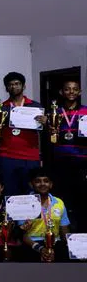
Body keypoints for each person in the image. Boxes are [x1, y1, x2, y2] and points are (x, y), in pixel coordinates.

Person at [0, 72, 46, 196]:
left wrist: (46, 122)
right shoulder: (1, 108)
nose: (14, 86)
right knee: (9, 193)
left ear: (23, 86)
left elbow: (44, 131)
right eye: (10, 84)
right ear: (6, 88)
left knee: (31, 193)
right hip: (7, 156)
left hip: (30, 156)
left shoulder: (35, 106)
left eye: (17, 84)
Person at [50, 79, 87, 228]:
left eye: (75, 89)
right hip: (60, 162)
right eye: (67, 89)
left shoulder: (86, 112)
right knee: (63, 199)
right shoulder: (55, 112)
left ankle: (82, 232)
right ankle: (64, 231)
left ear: (80, 92)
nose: (71, 92)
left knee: (82, 198)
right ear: (61, 92)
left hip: (82, 162)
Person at [19, 167, 70, 262]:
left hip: (55, 243)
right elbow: (22, 235)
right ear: (31, 184)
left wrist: (73, 248)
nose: (42, 184)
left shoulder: (59, 202)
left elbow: (64, 230)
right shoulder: (24, 202)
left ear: (51, 184)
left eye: (46, 181)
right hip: (32, 244)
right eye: (38, 181)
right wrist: (40, 249)